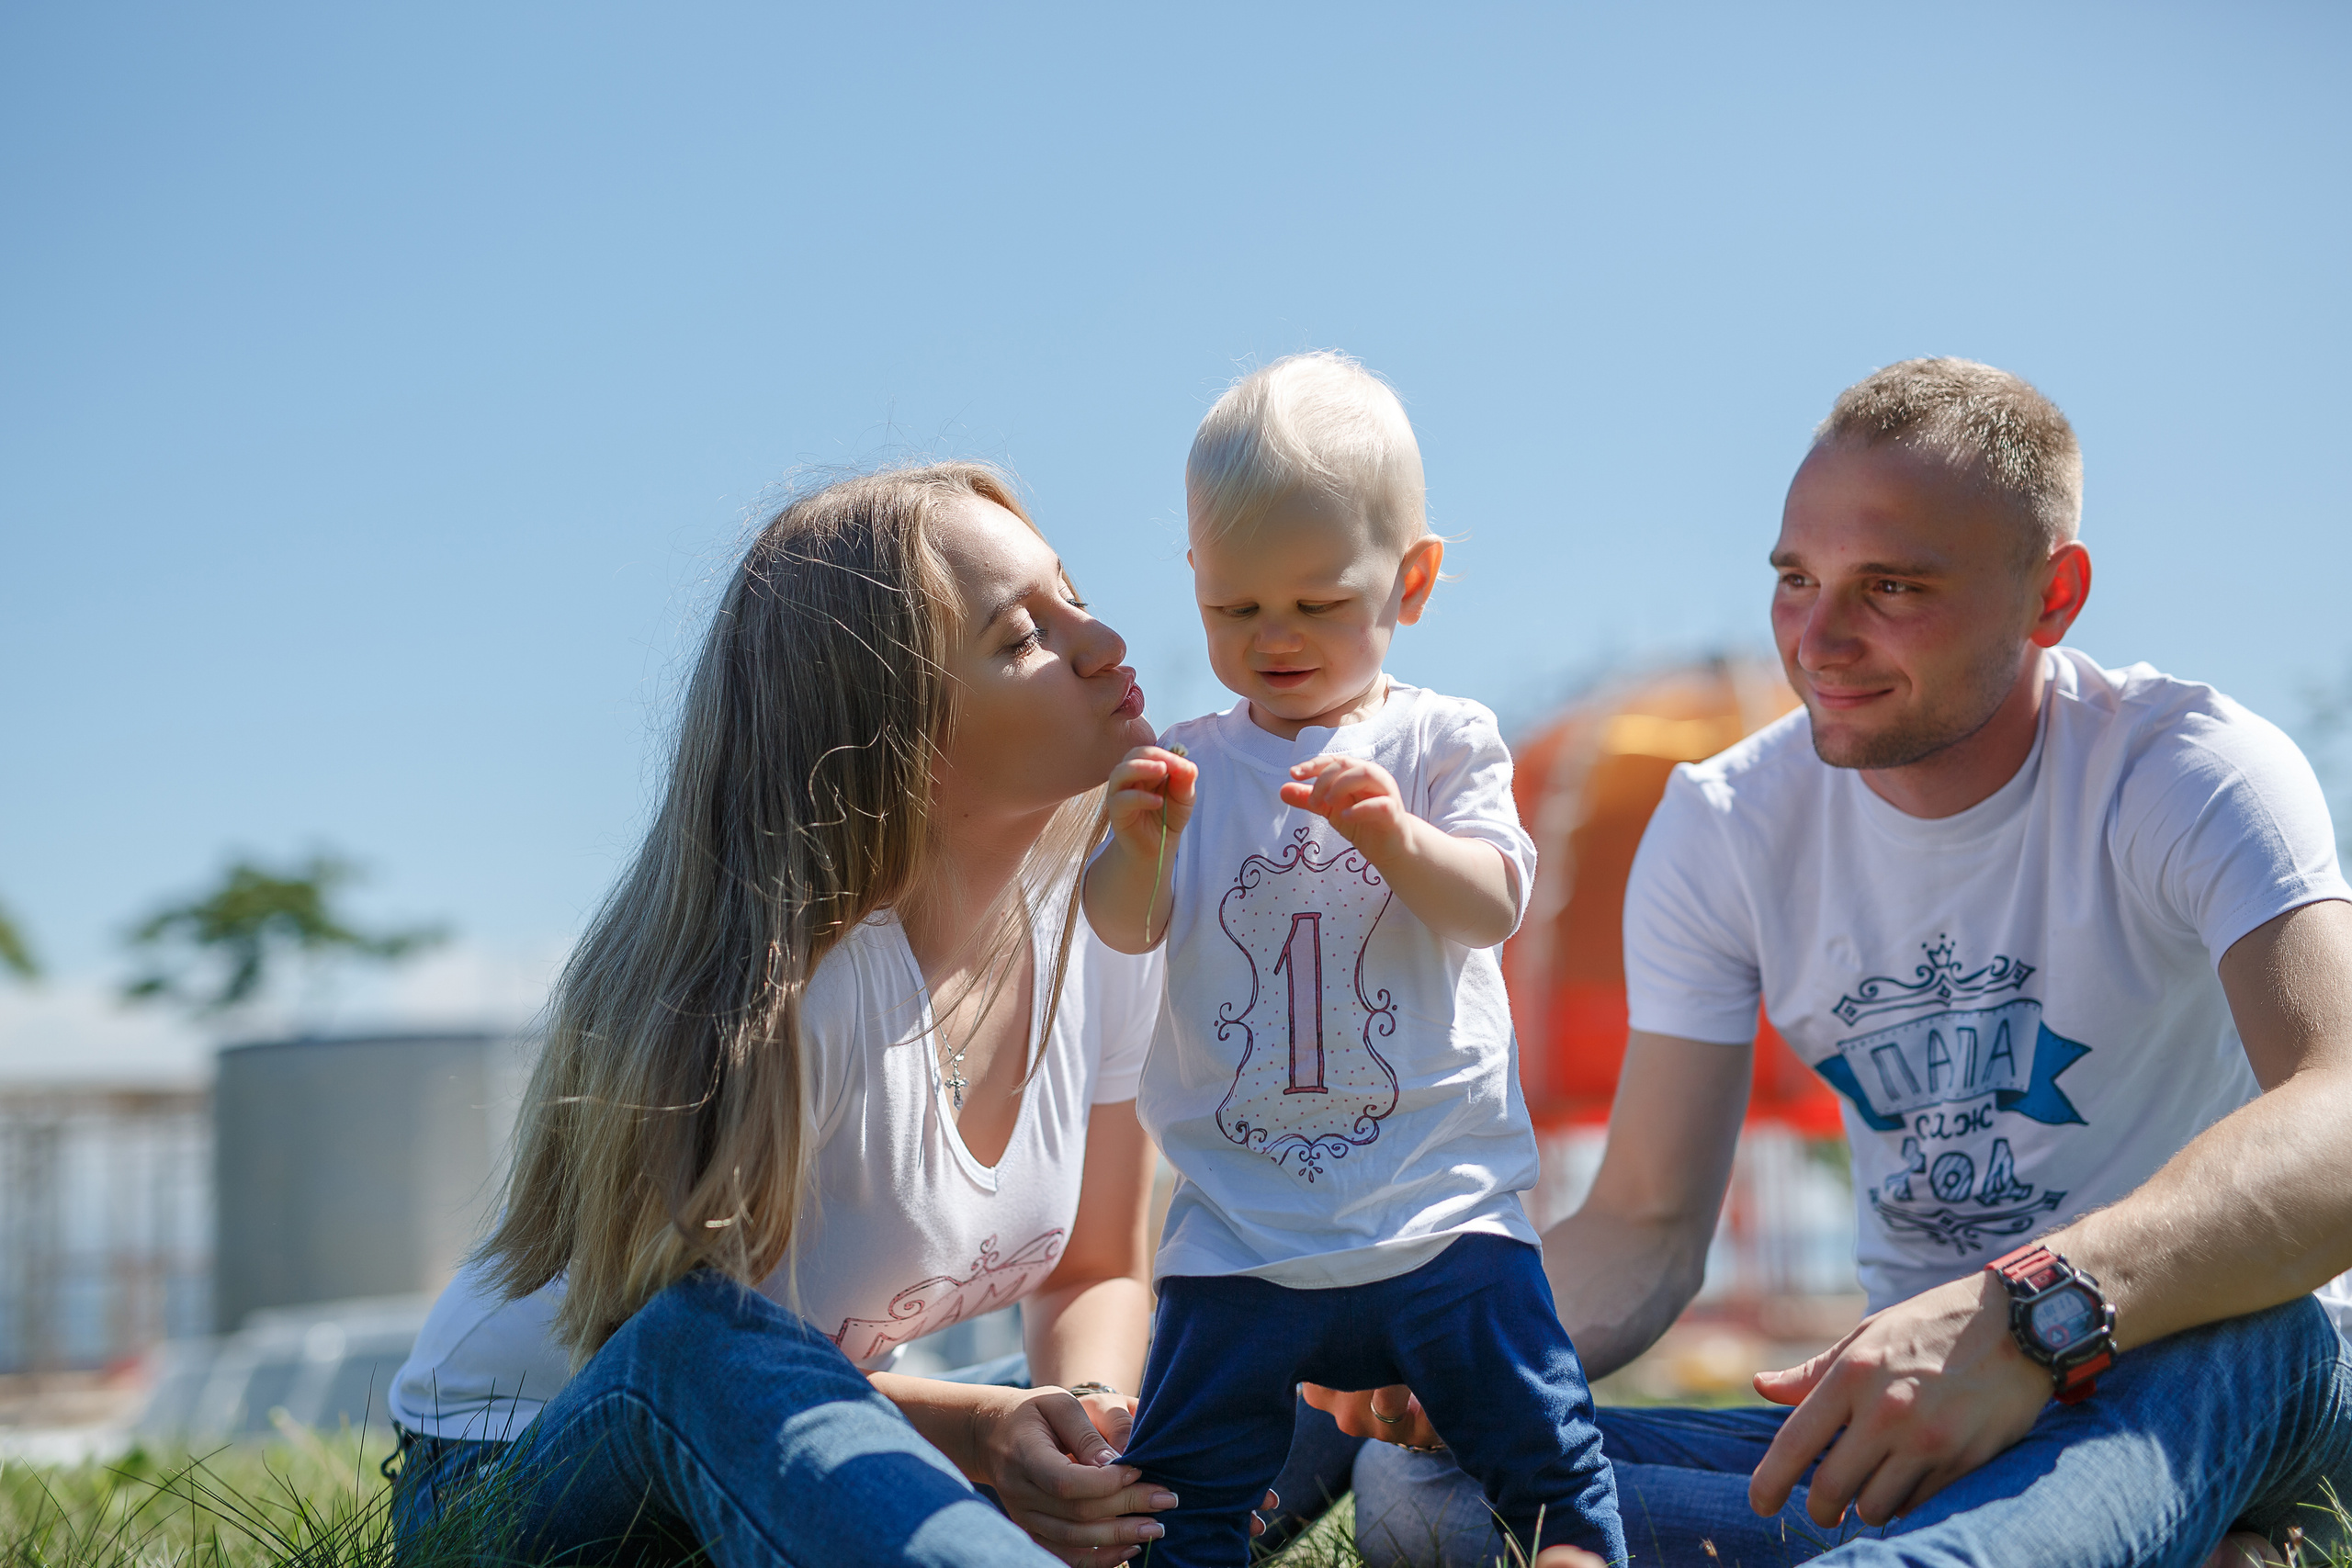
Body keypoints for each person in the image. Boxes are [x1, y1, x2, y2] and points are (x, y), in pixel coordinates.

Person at [1325, 358, 2352, 1568]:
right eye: (1796, 581)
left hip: (2229, 1352)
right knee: (1422, 1487)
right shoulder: (1726, 821)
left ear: (2052, 594)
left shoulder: (2190, 766)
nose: (1819, 638)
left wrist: (2020, 1316)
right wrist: (1471, 1341)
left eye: (1893, 587)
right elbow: (1645, 1220)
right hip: (1913, 1411)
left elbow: (2336, 1114)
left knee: (2227, 1348)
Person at [387, 464, 1196, 1567]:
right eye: (1020, 639)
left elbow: (1093, 1265)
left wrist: (1087, 1434)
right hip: (548, 1470)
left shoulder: (1108, 922)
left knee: (1278, 1361)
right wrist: (981, 1430)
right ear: (896, 733)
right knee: (710, 1345)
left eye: (1071, 592)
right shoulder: (784, 992)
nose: (1101, 641)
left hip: (838, 1428)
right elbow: (702, 1367)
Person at [1084, 353, 1625, 1565]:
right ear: (1195, 582)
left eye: (1318, 603)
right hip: (1240, 1232)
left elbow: (1492, 901)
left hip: (1444, 1214)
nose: (1275, 636)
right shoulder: (1188, 763)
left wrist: (1392, 830)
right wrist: (1130, 844)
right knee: (1176, 1500)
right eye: (1235, 608)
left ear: (1413, 578)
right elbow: (1124, 925)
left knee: (1551, 1472)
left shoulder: (1440, 739)